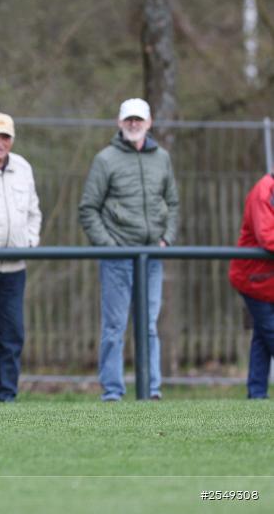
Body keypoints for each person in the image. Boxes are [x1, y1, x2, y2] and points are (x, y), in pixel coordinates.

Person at [79, 98, 179, 401]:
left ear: (148, 123)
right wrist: (110, 247)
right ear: (119, 123)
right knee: (114, 326)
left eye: (139, 119)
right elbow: (88, 209)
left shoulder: (162, 158)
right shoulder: (105, 159)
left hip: (151, 256)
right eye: (128, 119)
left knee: (148, 326)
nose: (134, 124)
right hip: (118, 258)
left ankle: (151, 389)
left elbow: (172, 203)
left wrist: (166, 239)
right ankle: (112, 390)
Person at [0, 113, 41, 402]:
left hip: (15, 267)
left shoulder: (23, 168)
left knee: (13, 334)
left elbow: (33, 212)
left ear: (12, 140)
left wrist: (29, 242)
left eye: (5, 138)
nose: (0, 143)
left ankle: (5, 396)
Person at [229, 173, 274, 399]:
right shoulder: (264, 191)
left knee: (262, 337)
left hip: (268, 281)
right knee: (270, 332)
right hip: (254, 279)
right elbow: (266, 236)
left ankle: (256, 394)